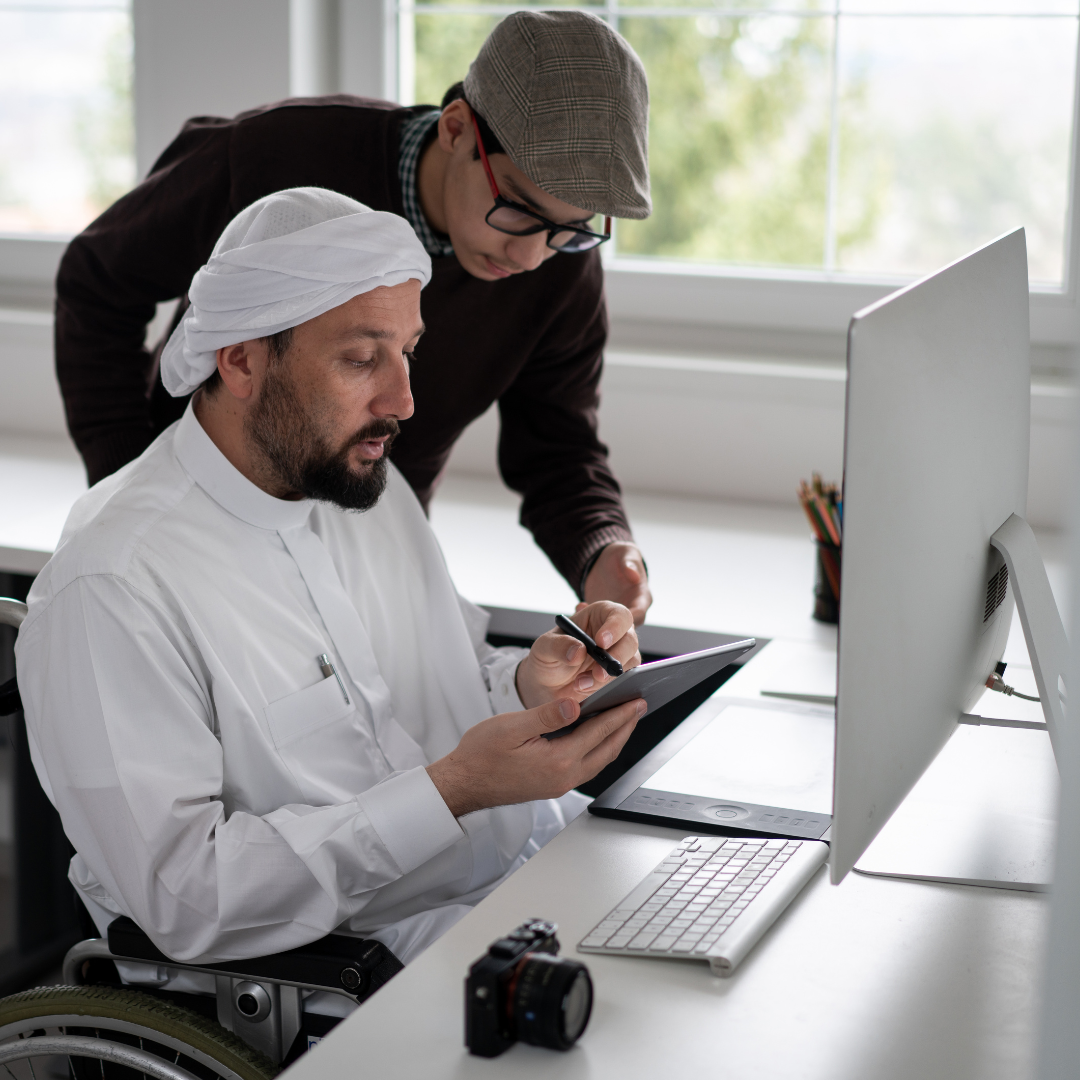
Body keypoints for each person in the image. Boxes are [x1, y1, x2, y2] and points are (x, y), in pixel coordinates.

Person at [17, 188, 644, 986]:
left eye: (407, 353)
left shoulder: (369, 492)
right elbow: (186, 898)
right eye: (359, 359)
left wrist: (529, 682)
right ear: (240, 358)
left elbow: (447, 685)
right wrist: (451, 791)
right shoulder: (112, 585)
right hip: (374, 968)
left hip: (539, 867)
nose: (404, 402)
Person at [54, 9, 655, 623]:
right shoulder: (280, 156)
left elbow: (557, 448)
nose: (531, 256)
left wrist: (604, 550)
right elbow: (96, 281)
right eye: (520, 210)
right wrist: (125, 485)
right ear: (456, 130)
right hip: (194, 531)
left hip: (370, 568)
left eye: (572, 230)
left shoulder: (562, 266)